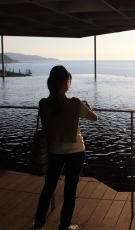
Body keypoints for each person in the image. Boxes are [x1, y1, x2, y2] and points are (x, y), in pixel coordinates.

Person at [32, 65, 98, 230]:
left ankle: (38, 225)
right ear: (63, 82)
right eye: (69, 80)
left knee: (48, 189)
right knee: (70, 191)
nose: (69, 83)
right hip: (76, 151)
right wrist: (86, 107)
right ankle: (64, 226)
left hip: (54, 152)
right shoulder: (75, 103)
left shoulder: (43, 104)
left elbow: (50, 123)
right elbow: (94, 118)